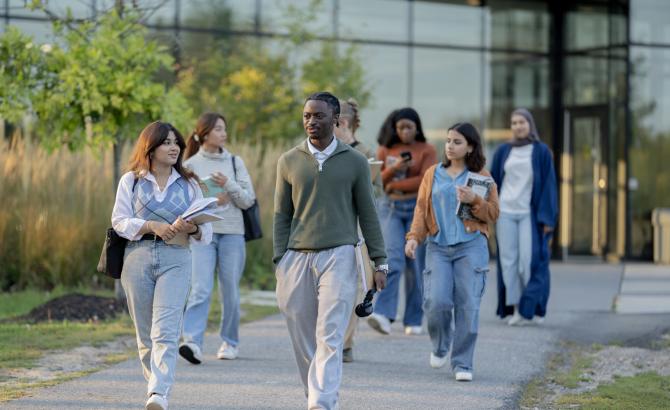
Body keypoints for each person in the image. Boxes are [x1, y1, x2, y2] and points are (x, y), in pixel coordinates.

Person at [273, 91, 388, 409]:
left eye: (318, 115)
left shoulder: (355, 163)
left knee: (330, 331)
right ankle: (314, 393)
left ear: (336, 120)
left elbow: (368, 213)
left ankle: (322, 401)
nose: (311, 121)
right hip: (296, 257)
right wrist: (279, 260)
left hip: (339, 255)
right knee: (301, 333)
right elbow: (281, 215)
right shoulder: (289, 160)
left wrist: (380, 261)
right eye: (307, 115)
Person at [111, 121, 213, 410]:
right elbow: (118, 221)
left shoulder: (190, 184)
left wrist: (193, 229)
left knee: (165, 331)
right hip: (137, 258)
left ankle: (158, 393)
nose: (174, 147)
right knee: (145, 334)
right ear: (150, 148)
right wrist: (151, 225)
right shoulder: (131, 181)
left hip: (176, 258)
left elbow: (206, 234)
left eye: (176, 142)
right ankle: (154, 386)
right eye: (166, 142)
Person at [405, 122, 499, 382]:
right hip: (438, 247)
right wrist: (414, 238)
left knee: (468, 305)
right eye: (448, 141)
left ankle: (463, 363)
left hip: (471, 247)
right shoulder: (432, 174)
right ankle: (441, 345)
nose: (450, 146)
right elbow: (421, 209)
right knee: (436, 302)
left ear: (470, 147)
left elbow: (493, 213)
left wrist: (475, 201)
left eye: (457, 142)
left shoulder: (482, 176)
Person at [178, 112, 257, 364]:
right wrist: (208, 202)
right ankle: (192, 342)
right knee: (200, 288)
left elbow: (248, 200)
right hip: (202, 235)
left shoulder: (235, 162)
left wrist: (229, 187)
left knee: (230, 291)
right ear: (204, 133)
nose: (224, 133)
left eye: (225, 128)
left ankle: (230, 342)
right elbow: (184, 205)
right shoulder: (190, 165)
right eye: (219, 129)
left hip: (233, 234)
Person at [367, 108, 437, 336]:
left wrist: (394, 183)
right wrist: (395, 170)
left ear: (417, 128)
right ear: (395, 129)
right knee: (392, 260)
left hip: (417, 209)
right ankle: (384, 314)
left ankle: (414, 318)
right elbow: (377, 179)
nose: (405, 132)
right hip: (391, 209)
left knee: (415, 265)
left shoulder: (426, 150)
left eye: (409, 127)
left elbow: (426, 180)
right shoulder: (386, 149)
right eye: (401, 128)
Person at [491, 108, 558, 326]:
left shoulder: (541, 151)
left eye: (522, 122)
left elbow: (549, 185)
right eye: (514, 123)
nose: (518, 126)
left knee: (528, 261)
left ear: (530, 124)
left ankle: (533, 307)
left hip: (529, 213)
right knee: (508, 262)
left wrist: (548, 219)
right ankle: (517, 308)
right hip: (506, 213)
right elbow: (492, 183)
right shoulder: (503, 151)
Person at [333, 98, 378, 363]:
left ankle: (346, 342)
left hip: (358, 229)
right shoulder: (325, 152)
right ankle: (331, 337)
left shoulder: (365, 153)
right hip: (333, 225)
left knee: (356, 286)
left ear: (343, 123)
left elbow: (375, 194)